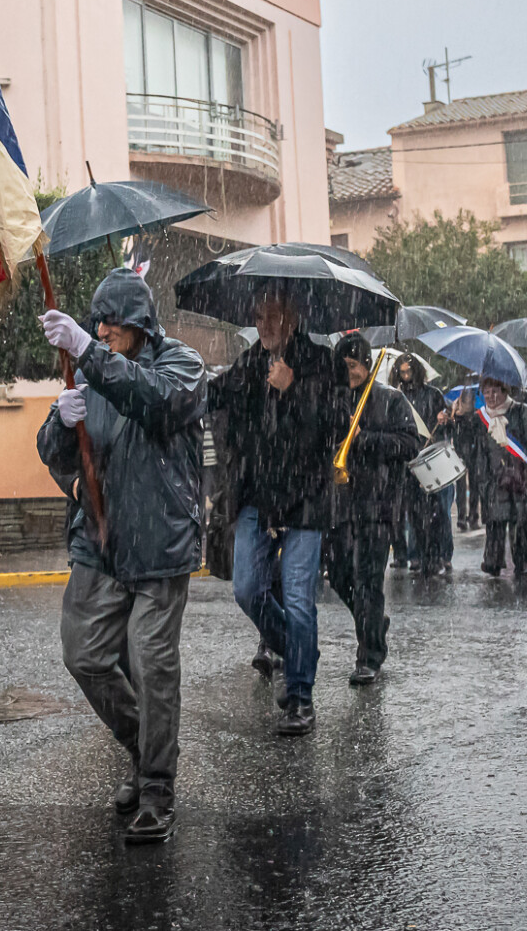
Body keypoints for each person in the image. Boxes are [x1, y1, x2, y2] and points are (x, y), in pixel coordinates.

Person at [38, 267, 206, 843]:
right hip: (100, 540)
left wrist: (90, 356)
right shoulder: (90, 373)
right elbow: (55, 454)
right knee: (83, 653)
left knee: (152, 662)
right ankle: (141, 747)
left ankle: (157, 786)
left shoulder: (181, 365)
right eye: (97, 323)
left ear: (140, 325)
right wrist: (61, 424)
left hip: (160, 541)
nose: (102, 330)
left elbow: (155, 401)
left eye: (113, 324)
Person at [211, 291, 332, 734]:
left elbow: (334, 422)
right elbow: (213, 394)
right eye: (259, 317)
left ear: (294, 317)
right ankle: (301, 651)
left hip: (307, 501)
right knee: (246, 589)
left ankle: (300, 697)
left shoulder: (321, 360)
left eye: (274, 316)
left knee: (299, 601)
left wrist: (294, 387)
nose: (265, 325)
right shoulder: (248, 363)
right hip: (258, 499)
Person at [321, 333, 418, 684]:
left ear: (366, 364)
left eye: (353, 365)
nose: (349, 372)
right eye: (343, 366)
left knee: (367, 581)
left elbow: (410, 442)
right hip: (339, 505)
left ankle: (369, 656)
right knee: (341, 576)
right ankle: (373, 622)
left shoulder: (389, 399)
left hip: (377, 504)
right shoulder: (333, 398)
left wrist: (364, 439)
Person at [452, 374, 527, 578]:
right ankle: (493, 561)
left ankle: (521, 560)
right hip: (492, 477)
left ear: (505, 391)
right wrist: (459, 418)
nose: (491, 396)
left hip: (520, 476)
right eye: (486, 392)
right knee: (495, 522)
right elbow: (466, 443)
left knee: (522, 521)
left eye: (495, 391)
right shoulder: (479, 418)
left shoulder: (520, 411)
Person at [392, 353, 454, 577]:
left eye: (409, 372)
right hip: (408, 460)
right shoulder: (397, 396)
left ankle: (438, 555)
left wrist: (444, 420)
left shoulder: (433, 394)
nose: (406, 376)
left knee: (437, 511)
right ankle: (417, 554)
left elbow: (447, 427)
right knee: (414, 512)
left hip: (430, 457)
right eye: (402, 372)